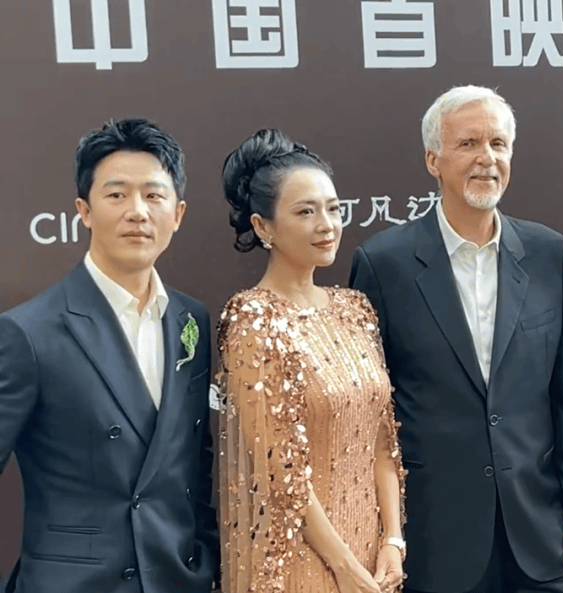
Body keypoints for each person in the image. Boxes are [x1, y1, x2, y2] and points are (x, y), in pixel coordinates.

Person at [349, 85, 563, 593]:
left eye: (498, 144)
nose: (487, 158)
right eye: (468, 143)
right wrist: (389, 534)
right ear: (433, 159)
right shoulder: (384, 264)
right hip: (436, 537)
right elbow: (371, 413)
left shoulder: (548, 253)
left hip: (545, 536)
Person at [0, 119, 218, 593]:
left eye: (154, 195)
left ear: (178, 213)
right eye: (117, 195)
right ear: (84, 210)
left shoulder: (192, 320)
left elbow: (194, 462)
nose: (137, 212)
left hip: (178, 578)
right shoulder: (28, 332)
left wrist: (206, 556)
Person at [217, 129, 404, 593]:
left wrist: (393, 541)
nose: (327, 225)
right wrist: (343, 567)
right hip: (302, 561)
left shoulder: (355, 309)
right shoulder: (252, 320)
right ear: (263, 227)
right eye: (305, 211)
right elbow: (281, 474)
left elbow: (383, 443)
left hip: (374, 558)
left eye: (333, 209)